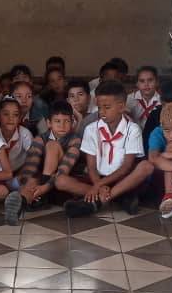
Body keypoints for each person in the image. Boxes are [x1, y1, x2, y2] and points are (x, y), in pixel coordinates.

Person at [64, 81, 153, 217]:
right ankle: (118, 196)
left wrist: (97, 186)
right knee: (61, 181)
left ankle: (97, 201)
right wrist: (98, 185)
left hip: (122, 178)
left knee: (146, 166)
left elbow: (126, 167)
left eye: (107, 107)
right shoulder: (91, 129)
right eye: (99, 107)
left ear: (121, 107)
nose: (102, 112)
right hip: (97, 178)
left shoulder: (132, 129)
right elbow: (91, 166)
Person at [17, 101, 85, 210]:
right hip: (43, 185)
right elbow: (30, 166)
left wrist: (45, 187)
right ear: (49, 123)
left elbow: (63, 170)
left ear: (72, 122)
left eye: (67, 121)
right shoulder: (40, 139)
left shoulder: (75, 140)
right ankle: (25, 201)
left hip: (63, 182)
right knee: (30, 180)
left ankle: (42, 197)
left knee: (52, 145)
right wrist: (26, 186)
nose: (62, 125)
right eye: (57, 121)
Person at [0, 97, 31, 223]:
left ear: (20, 118)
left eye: (15, 115)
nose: (11, 118)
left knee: (30, 180)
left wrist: (23, 174)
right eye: (6, 114)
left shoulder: (24, 134)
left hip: (18, 174)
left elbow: (33, 158)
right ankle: (9, 197)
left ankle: (18, 203)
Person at [148, 102, 172, 216]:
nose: (171, 136)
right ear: (161, 126)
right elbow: (153, 158)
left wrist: (168, 155)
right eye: (167, 130)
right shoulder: (157, 133)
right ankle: (170, 196)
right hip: (162, 176)